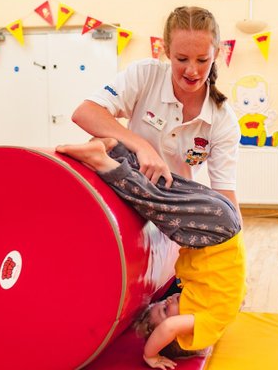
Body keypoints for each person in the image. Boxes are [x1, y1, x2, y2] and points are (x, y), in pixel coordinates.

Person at [56, 139, 246, 370]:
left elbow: (240, 294)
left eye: (162, 305)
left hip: (225, 219)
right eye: (166, 310)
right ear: (184, 335)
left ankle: (117, 151)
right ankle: (102, 160)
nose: (168, 301)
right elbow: (168, 329)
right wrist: (150, 355)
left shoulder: (221, 308)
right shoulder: (207, 326)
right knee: (150, 201)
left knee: (165, 185)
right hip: (212, 233)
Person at [70, 6, 242, 220]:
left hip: (170, 199)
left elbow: (225, 192)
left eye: (202, 60)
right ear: (167, 51)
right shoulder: (146, 75)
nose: (192, 70)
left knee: (224, 214)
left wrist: (235, 242)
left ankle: (105, 157)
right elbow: (84, 112)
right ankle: (107, 154)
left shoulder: (222, 120)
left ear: (216, 54)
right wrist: (142, 147)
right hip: (127, 189)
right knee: (113, 145)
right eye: (181, 59)